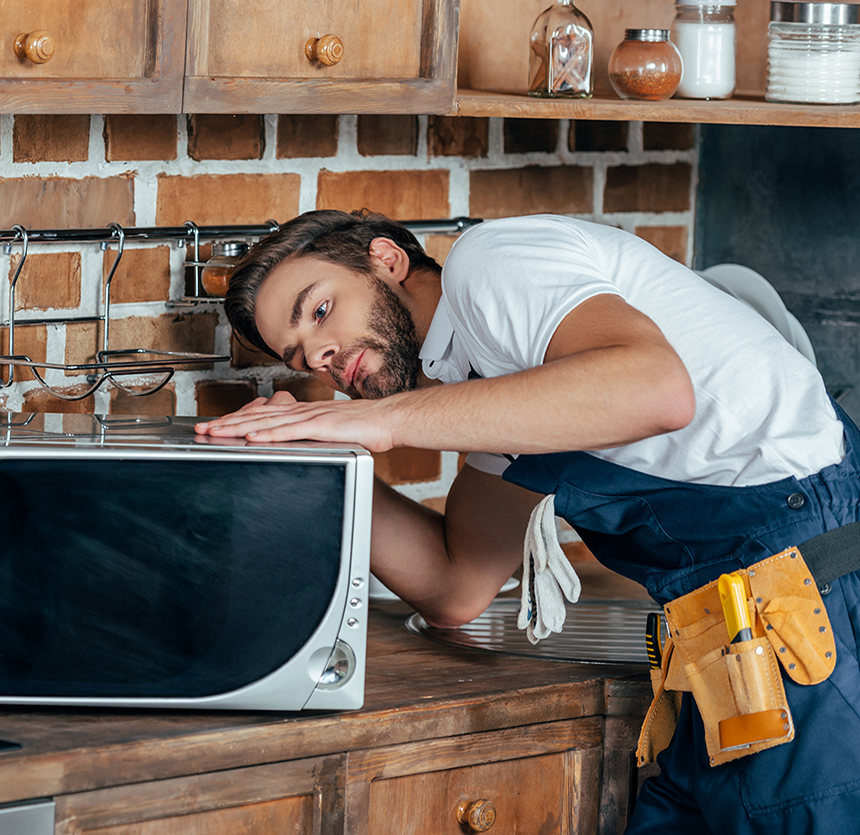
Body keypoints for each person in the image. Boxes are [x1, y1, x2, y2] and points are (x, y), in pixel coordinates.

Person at [194, 208, 860, 834]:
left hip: (807, 613)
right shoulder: (482, 389)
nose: (319, 357)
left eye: (320, 309)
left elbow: (655, 387)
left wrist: (377, 421)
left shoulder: (491, 263)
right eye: (299, 355)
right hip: (726, 654)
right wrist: (312, 462)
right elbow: (456, 585)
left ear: (387, 260)